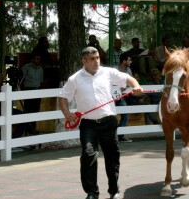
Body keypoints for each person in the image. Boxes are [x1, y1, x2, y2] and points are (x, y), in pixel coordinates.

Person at [58, 46, 143, 199]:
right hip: (88, 124)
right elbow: (63, 98)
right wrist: (67, 114)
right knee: (88, 155)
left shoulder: (108, 73)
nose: (96, 61)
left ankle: (113, 190)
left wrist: (136, 86)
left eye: (97, 57)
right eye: (92, 59)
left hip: (108, 122)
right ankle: (92, 193)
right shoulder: (75, 79)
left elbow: (127, 79)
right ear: (84, 60)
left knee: (112, 157)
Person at [21, 52, 44, 136]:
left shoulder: (40, 69)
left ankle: (33, 129)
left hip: (37, 90)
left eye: (39, 59)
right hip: (28, 90)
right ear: (33, 59)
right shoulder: (26, 68)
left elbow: (41, 81)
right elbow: (21, 79)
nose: (38, 60)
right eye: (37, 58)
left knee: (35, 110)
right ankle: (26, 129)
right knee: (28, 110)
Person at [115, 53, 133, 142]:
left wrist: (125, 86)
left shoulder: (128, 70)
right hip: (110, 97)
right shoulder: (115, 70)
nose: (131, 62)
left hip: (121, 97)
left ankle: (119, 136)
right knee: (109, 116)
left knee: (125, 114)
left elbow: (131, 81)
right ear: (124, 61)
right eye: (129, 60)